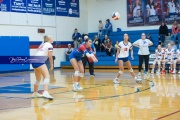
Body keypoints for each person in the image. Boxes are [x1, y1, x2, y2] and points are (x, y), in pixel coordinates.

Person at [31, 35, 54, 100]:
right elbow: (50, 57)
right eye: (51, 37)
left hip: (34, 61)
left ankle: (35, 93)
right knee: (47, 76)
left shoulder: (42, 45)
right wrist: (52, 65)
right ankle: (45, 93)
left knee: (38, 79)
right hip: (40, 61)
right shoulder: (49, 45)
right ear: (49, 39)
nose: (52, 38)